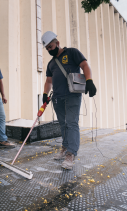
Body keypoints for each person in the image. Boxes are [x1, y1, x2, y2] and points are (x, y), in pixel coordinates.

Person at [41, 31, 97, 169]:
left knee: (71, 123)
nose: (49, 50)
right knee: (63, 124)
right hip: (57, 98)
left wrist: (89, 80)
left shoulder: (72, 52)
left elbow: (84, 65)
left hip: (72, 95)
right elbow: (49, 80)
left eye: (51, 46)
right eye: (47, 48)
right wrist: (44, 94)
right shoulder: (51, 64)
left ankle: (70, 154)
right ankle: (65, 147)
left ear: (57, 43)